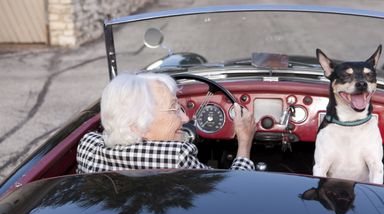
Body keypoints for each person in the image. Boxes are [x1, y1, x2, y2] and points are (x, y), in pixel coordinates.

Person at [77, 72, 256, 173]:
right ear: (137, 126)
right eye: (174, 108)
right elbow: (232, 192)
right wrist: (244, 144)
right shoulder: (177, 157)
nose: (186, 118)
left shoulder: (87, 146)